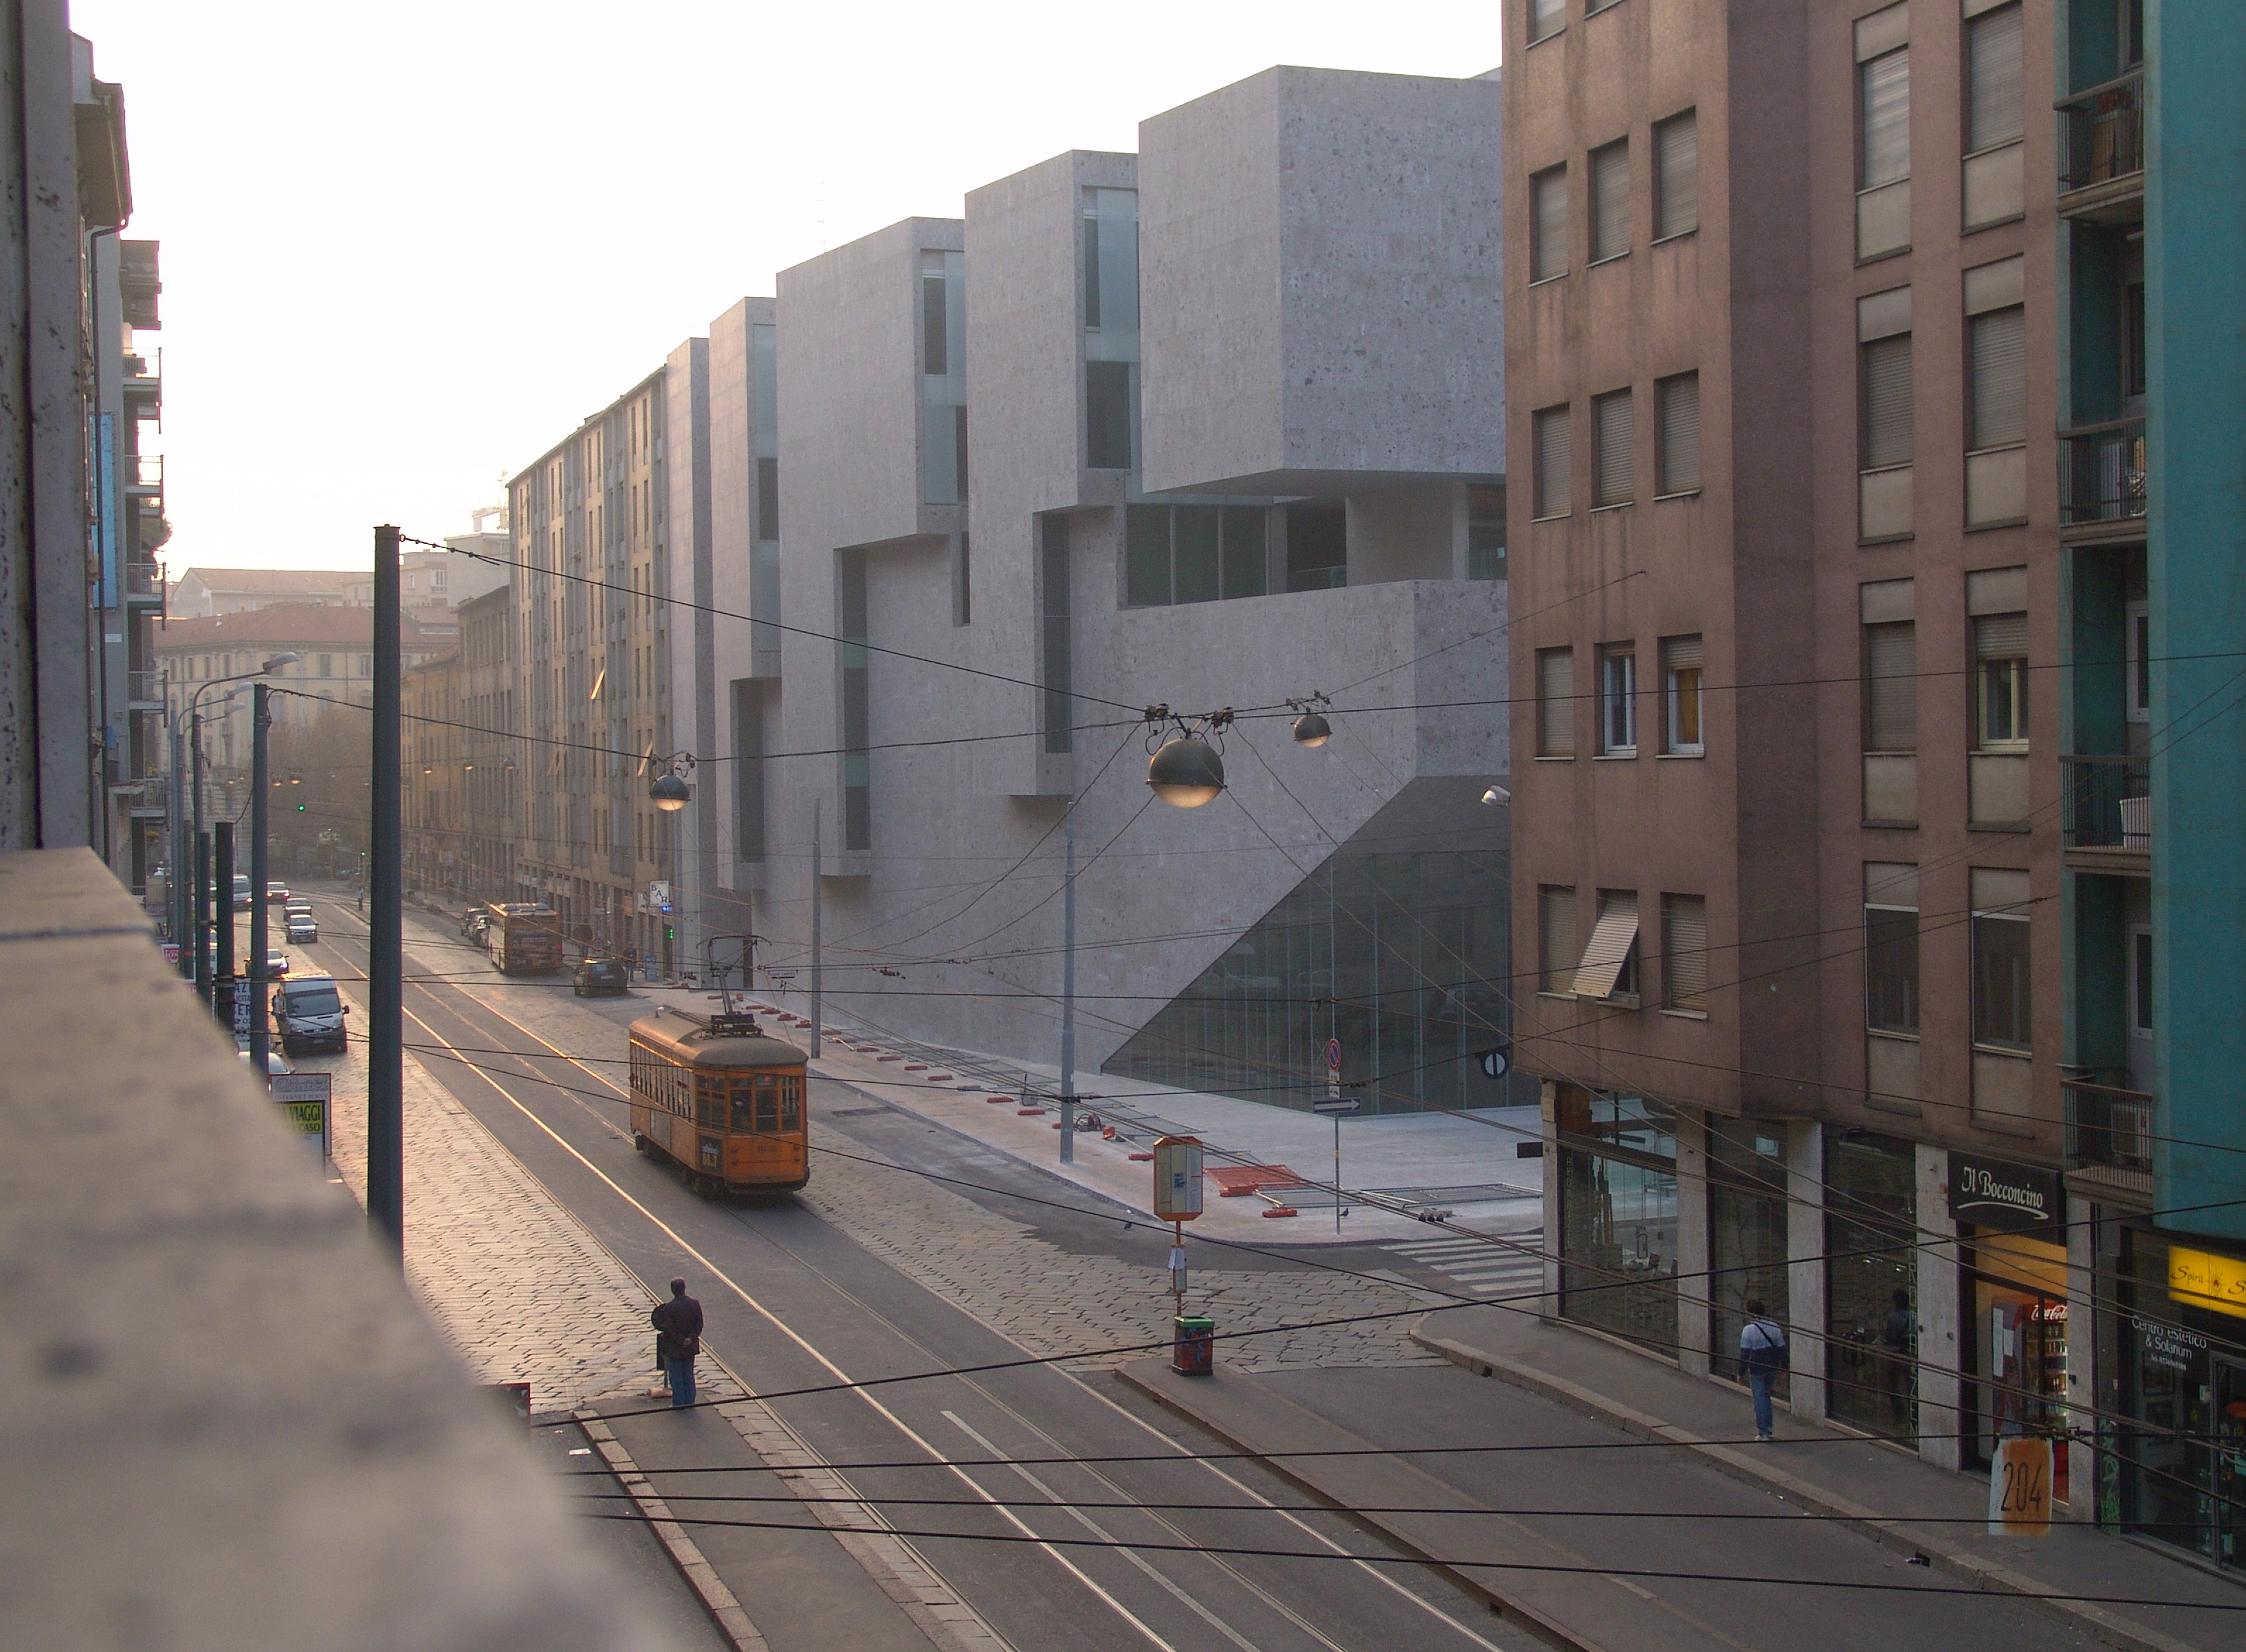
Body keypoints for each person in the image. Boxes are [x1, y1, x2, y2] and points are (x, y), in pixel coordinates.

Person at [1739, 1298, 1788, 1441]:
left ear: (1750, 1313)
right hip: (1772, 1367)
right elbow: (1782, 1350)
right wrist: (1783, 1369)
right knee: (1767, 1397)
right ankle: (1769, 1428)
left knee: (1759, 1399)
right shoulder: (1775, 1327)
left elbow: (1744, 1354)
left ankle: (1763, 1432)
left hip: (1757, 1369)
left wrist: (1740, 1373)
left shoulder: (1748, 1331)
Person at [651, 1277, 704, 1409]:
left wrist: (681, 1340)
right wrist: (690, 1339)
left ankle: (679, 1403)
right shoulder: (695, 1304)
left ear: (672, 1291)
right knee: (688, 1373)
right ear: (684, 1288)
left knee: (676, 1376)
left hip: (675, 1347)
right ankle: (690, 1400)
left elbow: (669, 1328)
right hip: (690, 1347)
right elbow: (699, 1324)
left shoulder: (670, 1308)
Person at [1882, 1287, 1916, 1425]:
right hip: (1909, 1353)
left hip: (1896, 1354)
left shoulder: (1893, 1317)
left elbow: (1890, 1335)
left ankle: (1900, 1415)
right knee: (1911, 1387)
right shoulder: (1913, 1316)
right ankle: (1914, 1417)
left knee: (1893, 1386)